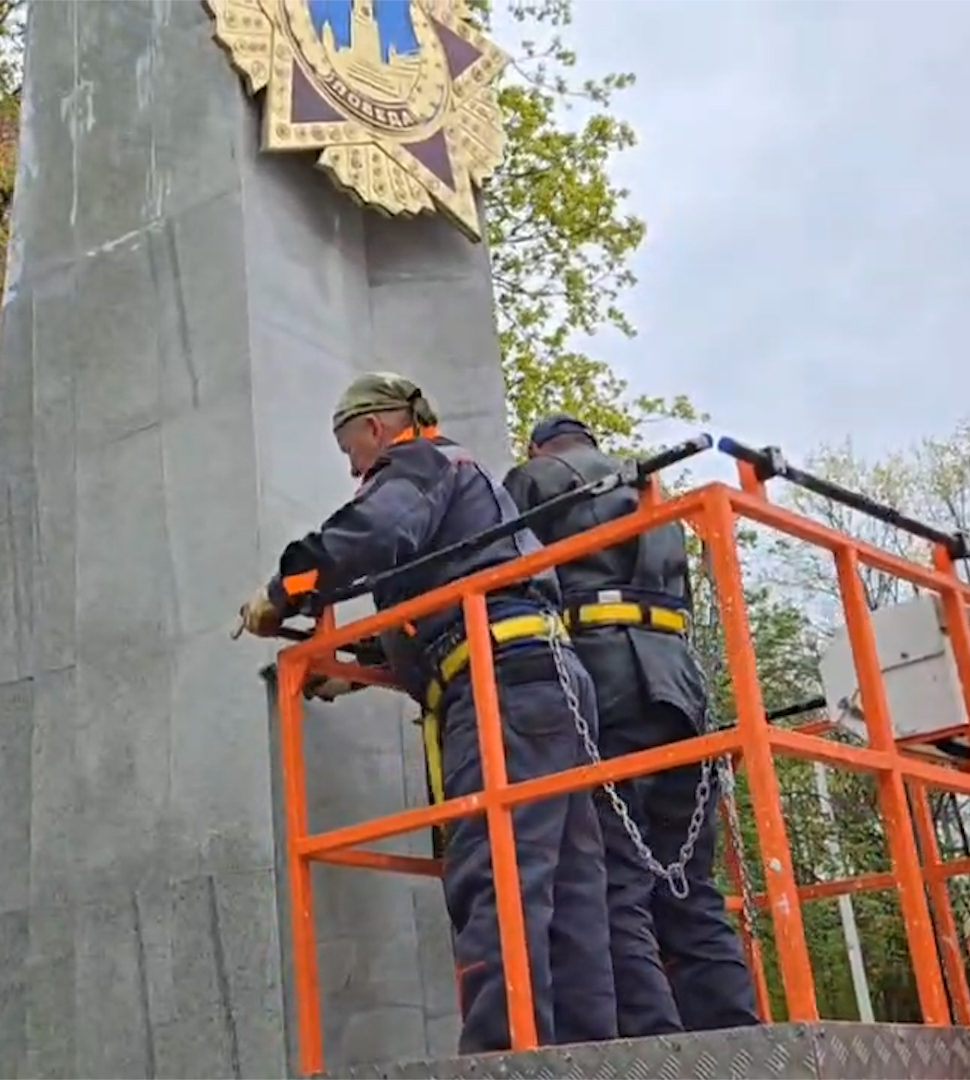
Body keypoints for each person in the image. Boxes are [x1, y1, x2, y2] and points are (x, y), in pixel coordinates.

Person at [235, 373, 617, 1053]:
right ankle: (592, 1056)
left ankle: (502, 1060)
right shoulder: (470, 486)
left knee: (494, 870)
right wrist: (352, 671)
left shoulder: (417, 462)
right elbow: (441, 601)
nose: (352, 465)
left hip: (496, 682)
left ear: (376, 428)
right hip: (542, 675)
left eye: (348, 447)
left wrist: (282, 592)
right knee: (567, 884)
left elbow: (367, 537)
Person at [502, 413, 761, 1034]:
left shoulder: (533, 480)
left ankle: (655, 1043)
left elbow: (505, 579)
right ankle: (737, 1036)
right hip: (678, 685)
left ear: (539, 447)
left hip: (601, 679)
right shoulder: (648, 490)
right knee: (690, 886)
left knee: (617, 878)